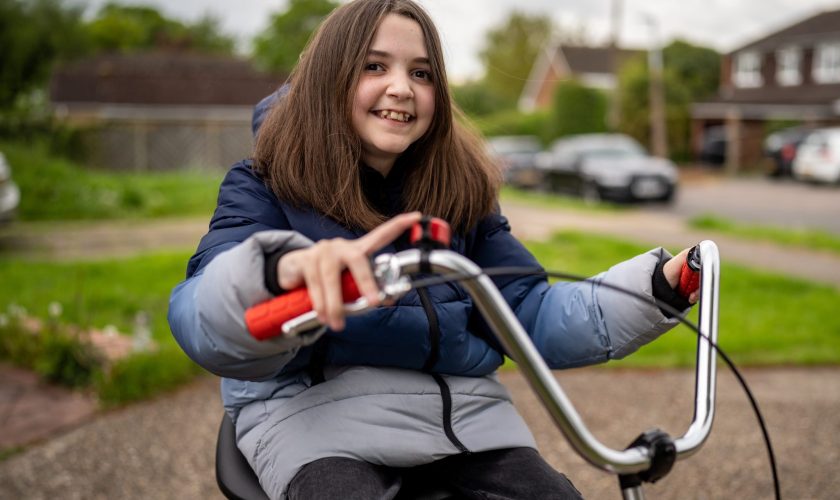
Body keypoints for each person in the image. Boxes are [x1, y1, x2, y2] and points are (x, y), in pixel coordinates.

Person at [168, 1, 699, 498]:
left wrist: (653, 289)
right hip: (314, 422)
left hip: (462, 421)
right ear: (328, 80)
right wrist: (282, 272)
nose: (401, 88)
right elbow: (200, 314)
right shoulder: (263, 183)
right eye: (374, 67)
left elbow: (528, 314)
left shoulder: (459, 192)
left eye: (421, 73)